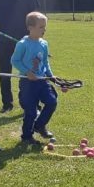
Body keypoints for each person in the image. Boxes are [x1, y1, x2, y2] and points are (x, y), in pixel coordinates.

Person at [11, 11, 59, 145]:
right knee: (30, 111)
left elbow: (45, 61)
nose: (44, 29)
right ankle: (26, 136)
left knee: (52, 102)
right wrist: (27, 72)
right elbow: (15, 61)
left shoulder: (44, 44)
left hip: (42, 81)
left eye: (45, 27)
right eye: (41, 27)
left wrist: (50, 75)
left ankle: (39, 126)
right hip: (28, 83)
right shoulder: (22, 44)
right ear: (30, 27)